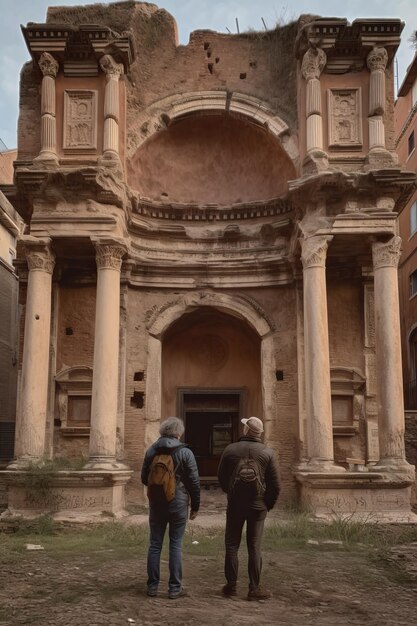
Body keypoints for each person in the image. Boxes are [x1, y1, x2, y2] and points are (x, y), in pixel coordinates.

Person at [217, 416, 280, 601]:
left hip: (235, 505)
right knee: (254, 546)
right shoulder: (268, 452)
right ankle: (254, 588)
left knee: (231, 544)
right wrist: (267, 504)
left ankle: (231, 586)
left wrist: (231, 493)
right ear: (259, 434)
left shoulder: (230, 449)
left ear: (246, 430)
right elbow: (276, 485)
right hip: (258, 506)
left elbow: (221, 476)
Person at [141, 416, 200, 599]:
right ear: (178, 433)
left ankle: (152, 587)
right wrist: (195, 506)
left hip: (157, 502)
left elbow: (144, 478)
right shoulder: (185, 452)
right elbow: (194, 482)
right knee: (175, 544)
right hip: (178, 502)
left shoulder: (151, 450)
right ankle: (175, 588)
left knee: (155, 544)